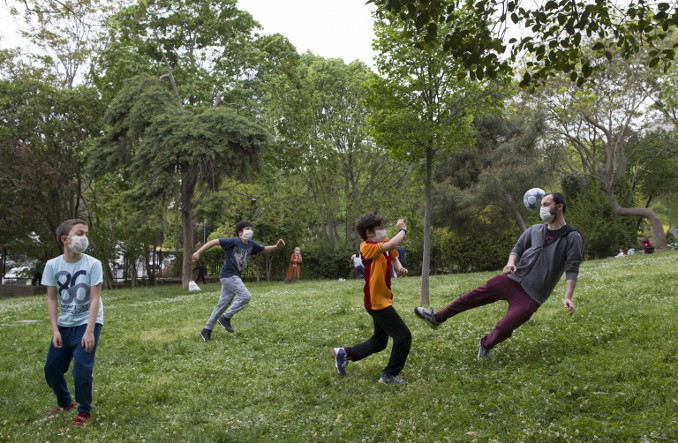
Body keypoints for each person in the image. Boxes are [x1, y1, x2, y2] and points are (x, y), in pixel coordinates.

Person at [414, 193, 583, 360]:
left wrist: (568, 296)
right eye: (541, 205)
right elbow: (517, 249)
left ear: (559, 207)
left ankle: (486, 344)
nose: (542, 209)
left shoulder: (572, 237)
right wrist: (511, 263)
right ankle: (437, 318)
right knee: (470, 297)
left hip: (532, 295)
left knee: (505, 327)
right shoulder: (535, 230)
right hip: (511, 279)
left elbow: (572, 267)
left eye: (546, 204)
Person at [333, 213, 411, 385]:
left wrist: (399, 267)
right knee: (403, 336)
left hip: (383, 299)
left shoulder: (383, 242)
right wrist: (403, 229)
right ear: (369, 233)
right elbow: (394, 244)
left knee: (379, 342)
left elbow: (394, 254)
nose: (384, 231)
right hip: (376, 302)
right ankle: (388, 375)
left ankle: (344, 353)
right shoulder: (366, 247)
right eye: (380, 228)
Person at [42, 219, 104, 427]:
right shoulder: (52, 265)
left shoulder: (93, 264)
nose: (84, 238)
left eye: (86, 233)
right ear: (65, 239)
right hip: (64, 324)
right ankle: (65, 403)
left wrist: (89, 332)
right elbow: (52, 298)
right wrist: (55, 330)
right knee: (51, 370)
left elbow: (95, 298)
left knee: (81, 370)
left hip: (88, 322)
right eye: (79, 233)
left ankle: (84, 410)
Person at [192, 221, 285, 341]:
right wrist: (199, 252)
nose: (250, 231)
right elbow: (214, 242)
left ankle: (206, 330)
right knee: (245, 296)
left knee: (222, 305)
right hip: (228, 275)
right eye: (247, 228)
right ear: (240, 232)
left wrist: (277, 246)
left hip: (233, 277)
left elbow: (265, 249)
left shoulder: (251, 245)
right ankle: (225, 318)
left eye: (251, 228)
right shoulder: (233, 241)